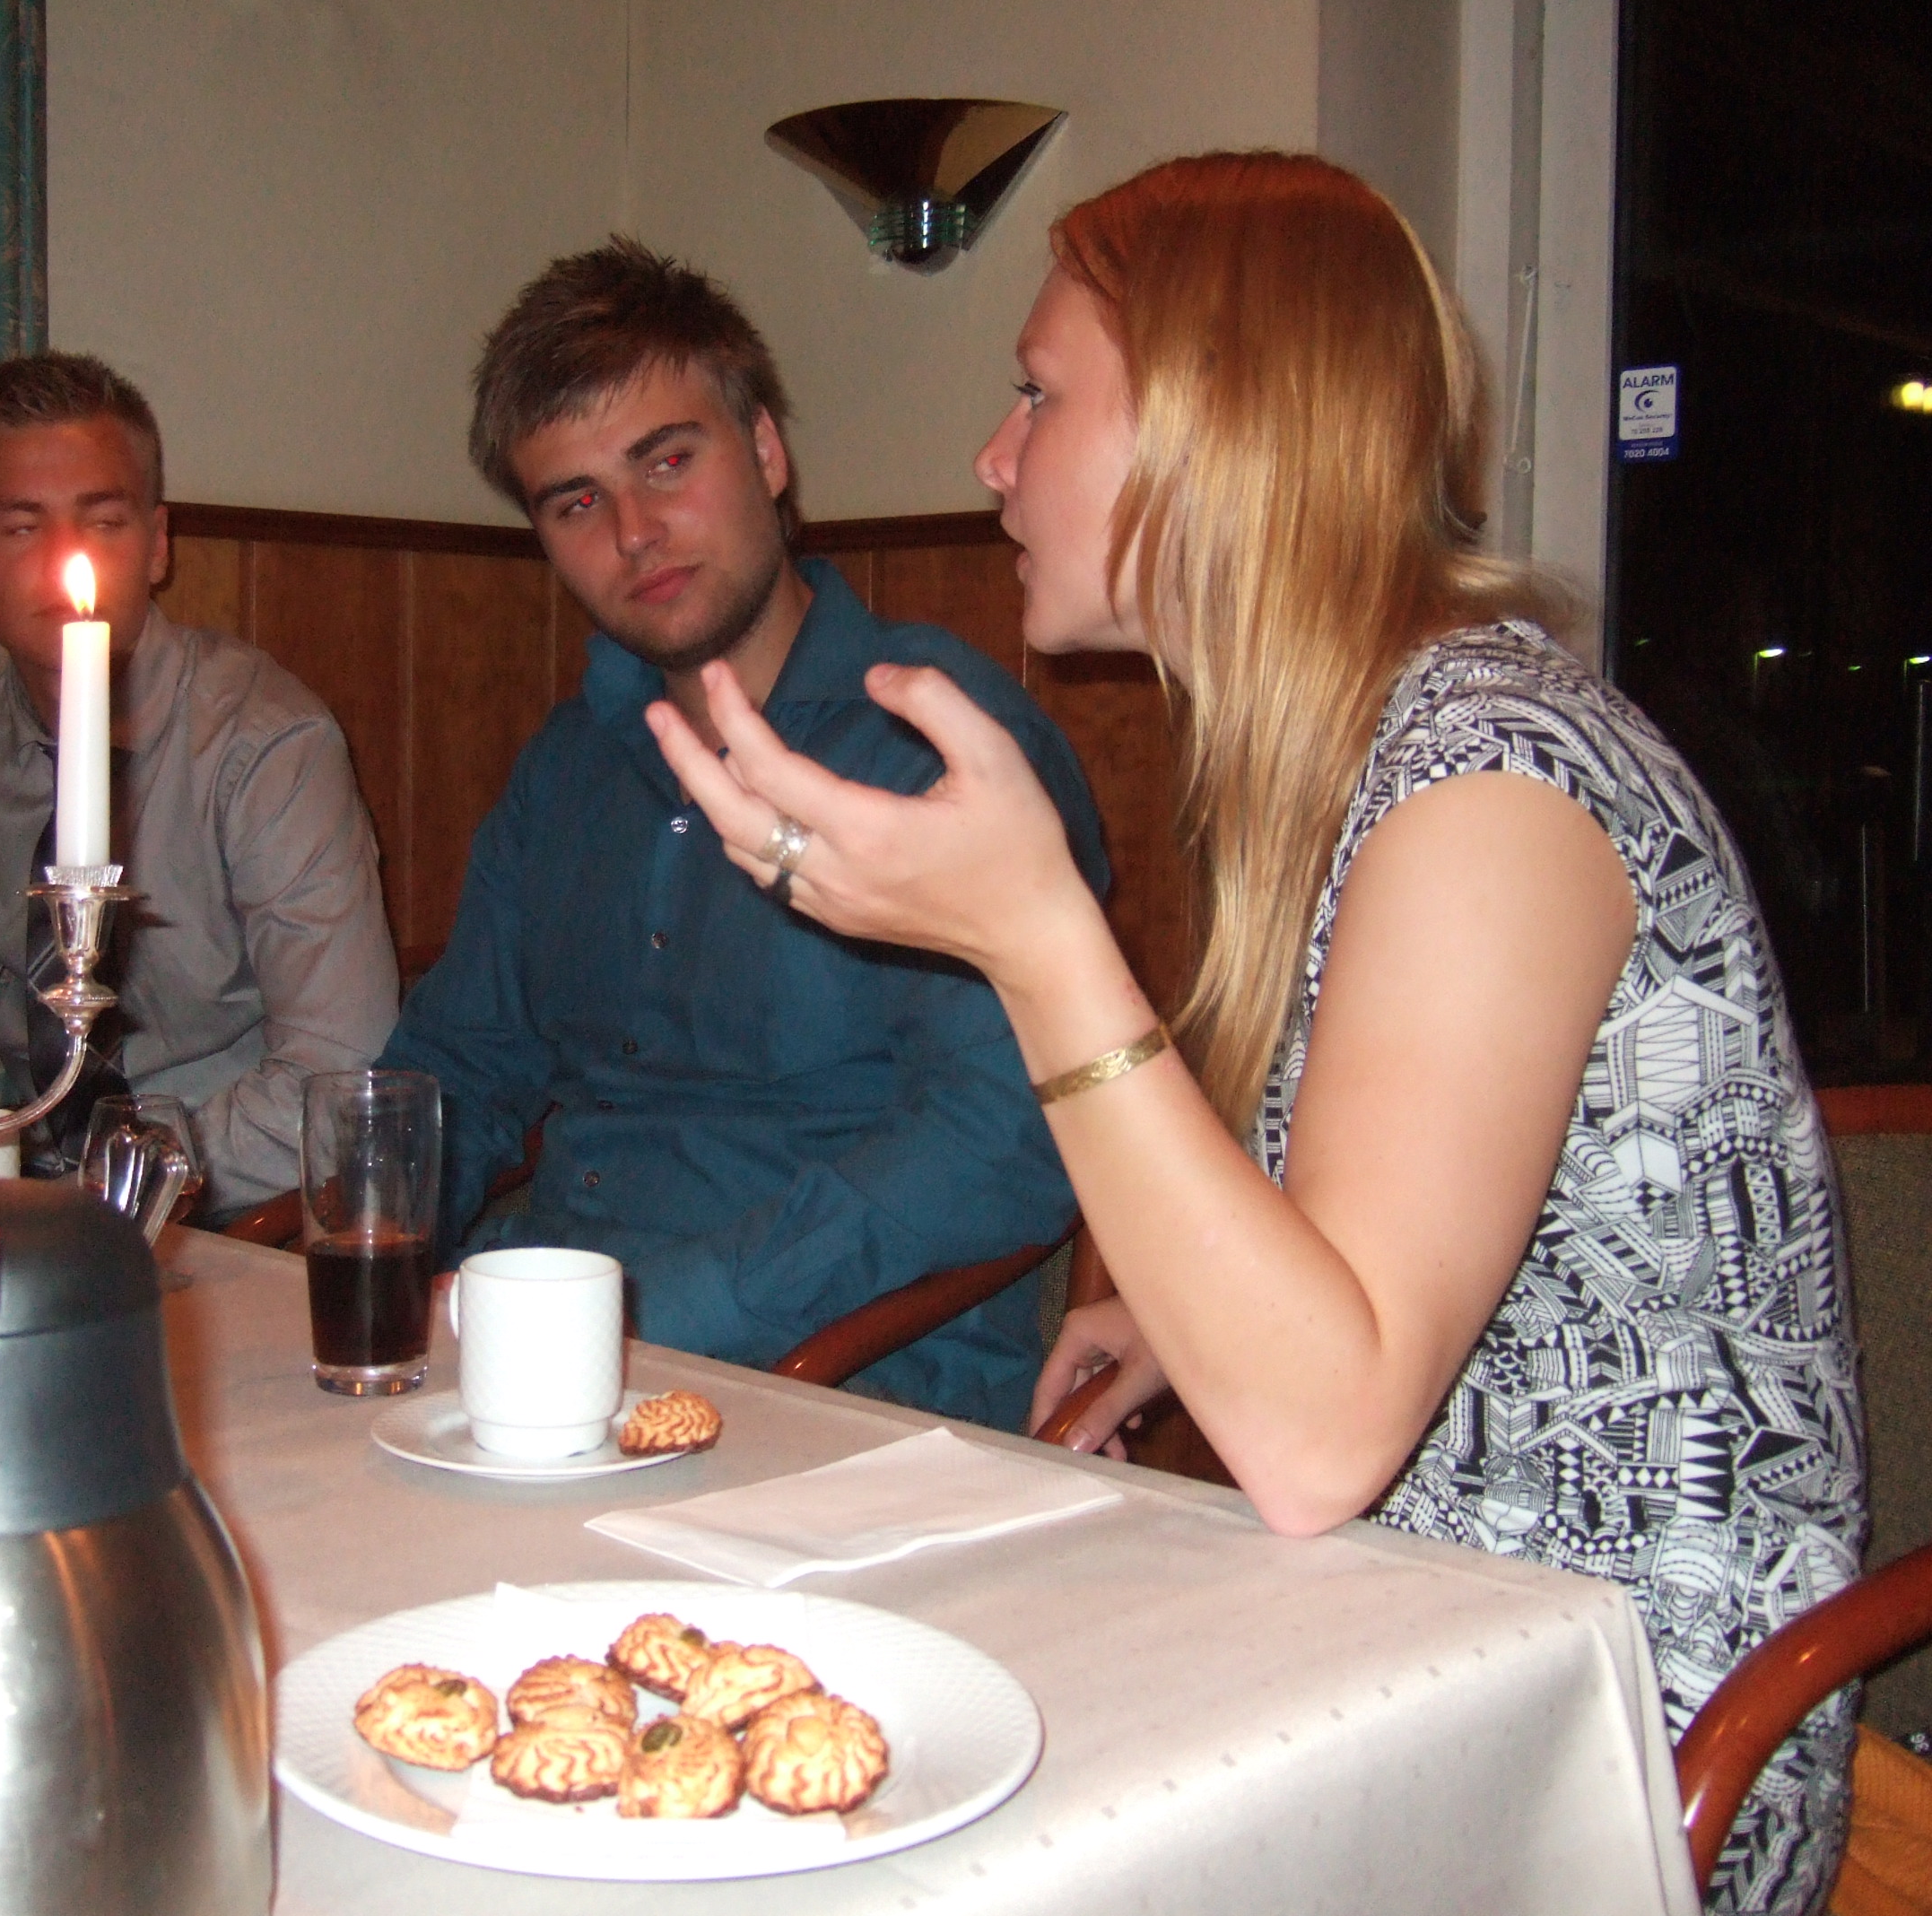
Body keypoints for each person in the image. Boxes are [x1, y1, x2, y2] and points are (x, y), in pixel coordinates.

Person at [648, 154, 1862, 1912]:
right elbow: (1426, 1233)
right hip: (1416, 1624)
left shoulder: (1492, 780)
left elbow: (1314, 1441)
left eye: (1037, 394)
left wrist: (1033, 941)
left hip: (1617, 1734)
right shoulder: (1363, 747)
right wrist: (1176, 1310)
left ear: (1218, 425)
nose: (989, 457)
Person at [379, 240, 1110, 1430]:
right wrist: (375, 1247)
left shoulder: (941, 744)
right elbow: (458, 1067)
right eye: (577, 502)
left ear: (767, 451)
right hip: (541, 1366)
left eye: (667, 461)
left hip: (845, 1387)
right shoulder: (566, 768)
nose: (634, 532)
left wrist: (658, 1315)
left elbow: (1000, 1144)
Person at [0, 352, 398, 1215]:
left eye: (103, 522)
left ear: (157, 544)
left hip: (240, 1205)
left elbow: (335, 1070)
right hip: (39, 1195)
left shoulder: (266, 745)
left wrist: (114, 1192)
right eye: (22, 528)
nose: (65, 560)